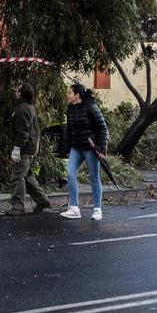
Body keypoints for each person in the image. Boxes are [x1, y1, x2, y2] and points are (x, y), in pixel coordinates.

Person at [61, 83, 108, 220]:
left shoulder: (91, 108)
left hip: (90, 148)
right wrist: (67, 147)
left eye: (69, 92)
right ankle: (74, 208)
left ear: (77, 95)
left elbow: (103, 128)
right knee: (69, 174)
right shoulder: (70, 109)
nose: (67, 95)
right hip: (76, 147)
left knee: (93, 177)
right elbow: (69, 130)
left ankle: (97, 209)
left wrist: (102, 149)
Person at [6, 82, 51, 215]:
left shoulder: (21, 109)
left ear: (21, 93)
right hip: (31, 147)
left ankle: (18, 207)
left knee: (17, 176)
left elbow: (22, 131)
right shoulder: (28, 107)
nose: (15, 91)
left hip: (25, 148)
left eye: (17, 89)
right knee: (26, 176)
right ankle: (42, 200)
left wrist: (17, 148)